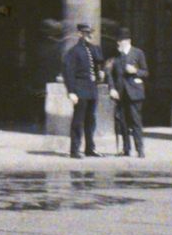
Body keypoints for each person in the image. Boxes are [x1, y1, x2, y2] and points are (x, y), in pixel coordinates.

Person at [61, 21, 102, 159]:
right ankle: (74, 150)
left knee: (91, 120)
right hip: (80, 89)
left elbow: (98, 61)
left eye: (91, 33)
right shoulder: (73, 52)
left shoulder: (93, 49)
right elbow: (68, 73)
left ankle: (90, 148)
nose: (90, 35)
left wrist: (100, 72)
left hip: (92, 89)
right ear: (80, 34)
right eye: (86, 33)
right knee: (78, 121)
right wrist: (71, 92)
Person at [108, 30, 149, 158]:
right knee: (123, 122)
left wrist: (135, 71)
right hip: (121, 93)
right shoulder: (116, 55)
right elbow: (110, 74)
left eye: (121, 41)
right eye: (118, 41)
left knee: (136, 121)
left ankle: (140, 149)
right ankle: (126, 148)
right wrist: (112, 88)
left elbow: (145, 72)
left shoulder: (138, 53)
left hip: (135, 92)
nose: (119, 43)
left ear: (128, 41)